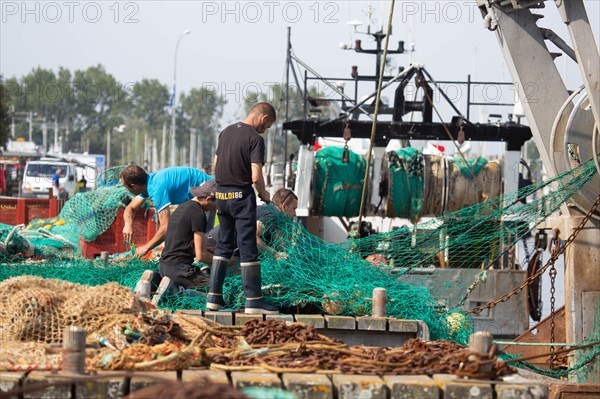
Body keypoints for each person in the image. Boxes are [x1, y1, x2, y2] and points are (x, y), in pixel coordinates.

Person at [207, 102, 278, 315]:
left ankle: (214, 298)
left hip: (222, 195)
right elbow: (256, 175)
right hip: (241, 196)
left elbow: (215, 163)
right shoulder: (255, 139)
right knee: (247, 245)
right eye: (268, 125)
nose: (265, 130)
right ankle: (254, 300)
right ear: (264, 118)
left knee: (223, 245)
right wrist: (264, 195)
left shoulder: (225, 132)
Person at [145, 180, 218, 305]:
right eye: (218, 203)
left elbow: (189, 245)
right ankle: (173, 291)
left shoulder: (183, 207)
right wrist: (224, 261)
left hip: (165, 266)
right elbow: (201, 256)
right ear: (209, 199)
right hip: (181, 270)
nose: (218, 207)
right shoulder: (198, 214)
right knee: (218, 292)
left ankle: (155, 281)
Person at [120, 165, 213, 258]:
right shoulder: (149, 183)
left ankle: (218, 268)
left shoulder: (156, 190)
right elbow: (130, 208)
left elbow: (165, 227)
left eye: (125, 186)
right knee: (191, 244)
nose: (125, 189)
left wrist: (146, 247)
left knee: (202, 249)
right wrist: (128, 224)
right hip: (200, 197)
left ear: (133, 186)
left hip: (209, 196)